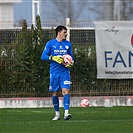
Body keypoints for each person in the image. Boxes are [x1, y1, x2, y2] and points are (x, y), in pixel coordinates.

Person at [41, 25, 74, 120]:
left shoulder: (68, 44)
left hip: (65, 72)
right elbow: (43, 56)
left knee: (66, 90)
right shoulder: (50, 43)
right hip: (54, 72)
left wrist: (70, 63)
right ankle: (57, 114)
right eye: (64, 32)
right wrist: (52, 57)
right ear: (59, 32)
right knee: (55, 93)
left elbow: (71, 57)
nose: (66, 34)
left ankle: (66, 113)